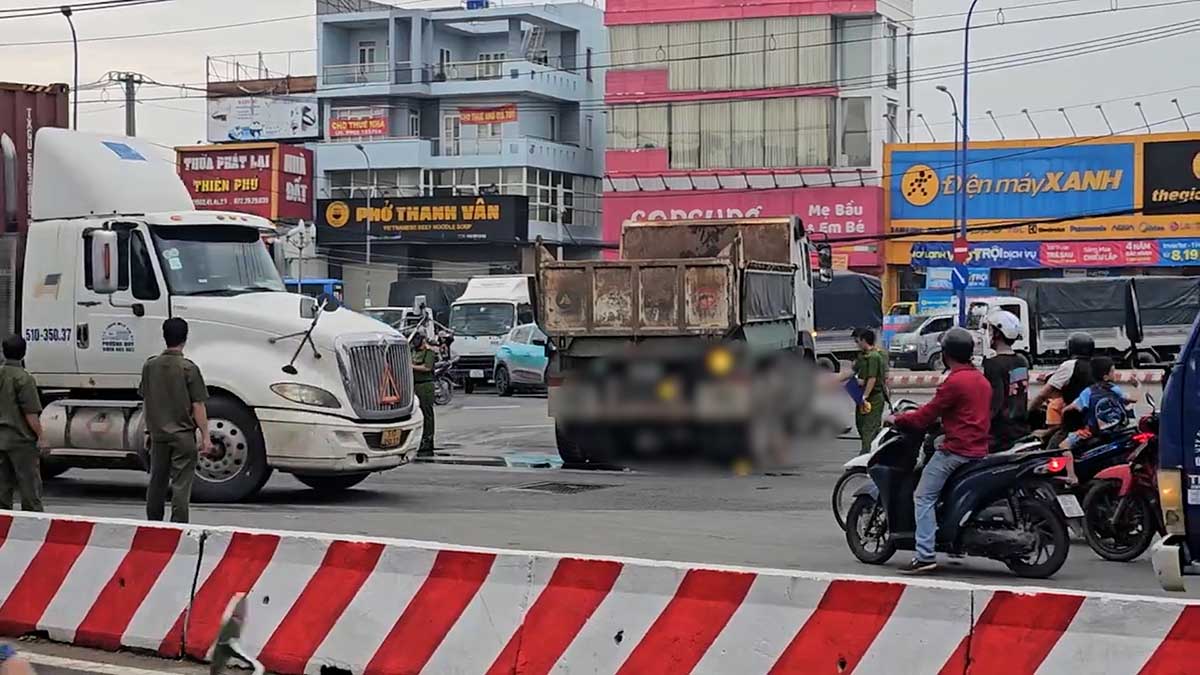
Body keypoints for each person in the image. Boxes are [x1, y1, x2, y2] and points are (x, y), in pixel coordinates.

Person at [890, 327, 991, 574]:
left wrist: (898, 420)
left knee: (923, 496)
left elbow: (926, 415)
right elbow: (957, 412)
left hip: (956, 451)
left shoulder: (955, 382)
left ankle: (924, 554)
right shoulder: (980, 379)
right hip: (979, 447)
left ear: (946, 354)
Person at [139, 318, 211, 523]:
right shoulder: (189, 368)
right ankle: (178, 526)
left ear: (164, 336)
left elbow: (147, 400)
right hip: (183, 437)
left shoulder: (150, 366)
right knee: (181, 484)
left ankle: (153, 524)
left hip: (158, 436)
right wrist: (206, 437)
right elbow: (198, 405)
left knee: (157, 482)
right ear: (185, 338)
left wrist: (147, 431)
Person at [0, 336, 46, 512]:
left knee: (2, 490)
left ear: (4, 352)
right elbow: (30, 413)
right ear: (24, 353)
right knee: (29, 489)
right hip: (21, 441)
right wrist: (42, 437)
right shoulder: (24, 379)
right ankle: (33, 528)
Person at [1030, 332, 1095, 444]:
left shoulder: (1070, 365)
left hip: (1075, 422)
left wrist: (1029, 411)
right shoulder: (1096, 364)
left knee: (1052, 448)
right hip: (1094, 421)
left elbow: (1043, 394)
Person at [1060, 357, 1136, 450]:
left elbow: (1068, 410)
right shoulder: (1114, 389)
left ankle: (1070, 465)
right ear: (1106, 377)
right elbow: (1133, 399)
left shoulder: (1088, 391)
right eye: (1113, 371)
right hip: (1117, 430)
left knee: (1063, 446)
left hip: (1093, 432)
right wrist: (1137, 385)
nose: (1115, 374)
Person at [981, 311, 1030, 452]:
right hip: (1021, 428)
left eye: (991, 330)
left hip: (1000, 433)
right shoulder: (1022, 360)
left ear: (997, 334)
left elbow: (995, 402)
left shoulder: (992, 364)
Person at [843, 328, 888, 453]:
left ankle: (865, 458)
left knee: (869, 429)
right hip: (862, 397)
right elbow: (852, 372)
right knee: (861, 425)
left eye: (857, 341)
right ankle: (875, 451)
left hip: (872, 398)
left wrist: (865, 396)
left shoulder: (874, 356)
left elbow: (872, 379)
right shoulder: (863, 356)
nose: (856, 344)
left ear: (863, 340)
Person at [411, 332, 436, 456]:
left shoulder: (429, 352)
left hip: (425, 385)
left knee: (427, 413)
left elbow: (427, 367)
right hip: (414, 384)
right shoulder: (413, 351)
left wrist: (411, 366)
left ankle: (428, 439)